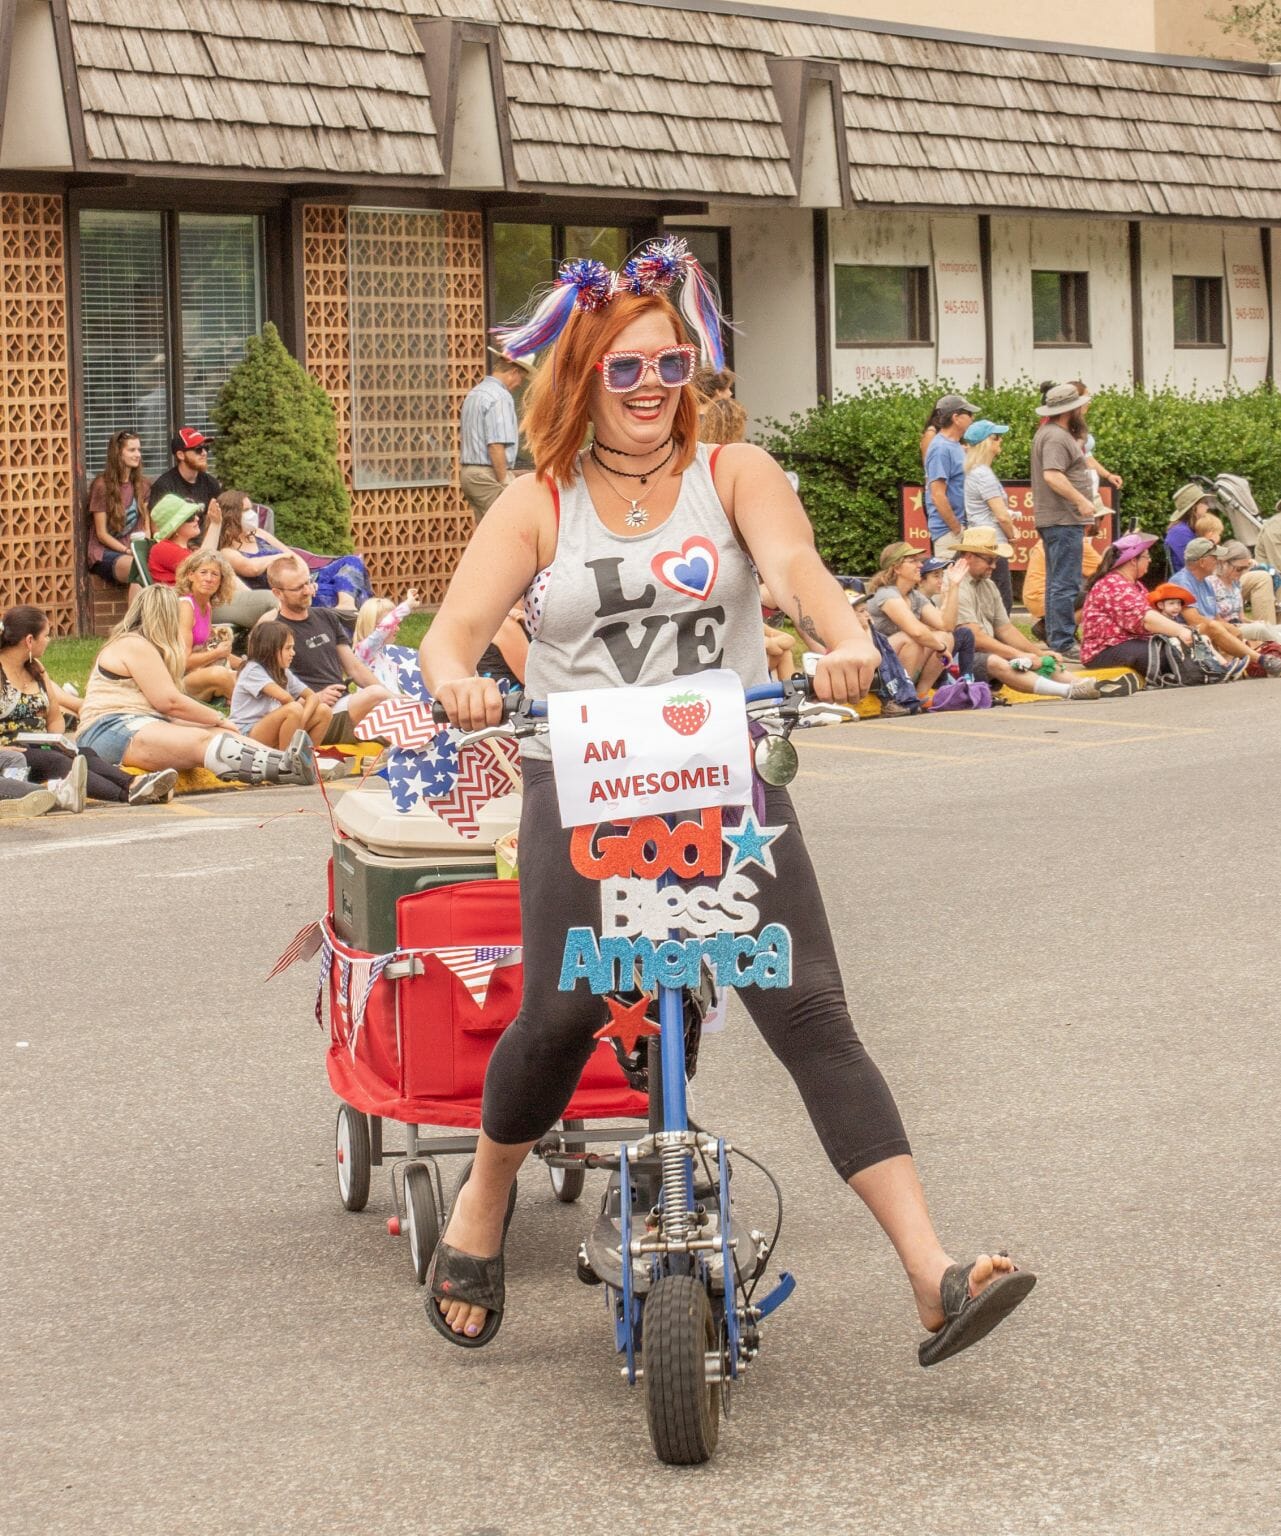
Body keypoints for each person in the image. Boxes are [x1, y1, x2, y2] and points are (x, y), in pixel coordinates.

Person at [419, 238, 1035, 1355]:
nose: (654, 390)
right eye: (627, 371)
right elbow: (450, 635)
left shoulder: (734, 474)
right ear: (582, 379)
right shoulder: (536, 501)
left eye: (672, 366)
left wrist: (843, 636)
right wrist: (460, 682)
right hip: (586, 781)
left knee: (808, 1010)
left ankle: (932, 1272)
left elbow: (796, 570)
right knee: (559, 1011)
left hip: (725, 774)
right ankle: (484, 1194)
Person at [77, 586, 316, 786]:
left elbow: (161, 711)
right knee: (201, 739)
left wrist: (219, 725)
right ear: (167, 617)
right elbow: (169, 702)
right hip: (109, 729)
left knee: (223, 735)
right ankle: (282, 768)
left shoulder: (146, 647)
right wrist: (217, 717)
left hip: (140, 723)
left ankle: (287, 761)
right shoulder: (134, 644)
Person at [0, 605, 177, 805]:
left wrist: (55, 742)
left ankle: (134, 783)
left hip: (39, 745)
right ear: (30, 640)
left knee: (82, 753)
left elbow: (55, 717)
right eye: (46, 636)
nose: (49, 641)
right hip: (12, 753)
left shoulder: (36, 669)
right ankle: (126, 795)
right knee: (59, 762)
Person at [950, 528, 1102, 699]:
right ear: (969, 556)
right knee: (998, 661)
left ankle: (1084, 685)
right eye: (990, 560)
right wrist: (1020, 654)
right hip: (955, 659)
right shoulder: (955, 585)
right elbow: (976, 638)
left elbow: (1005, 629)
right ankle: (1068, 691)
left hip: (980, 654)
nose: (994, 566)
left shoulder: (988, 585)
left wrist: (1038, 654)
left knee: (1040, 660)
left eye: (996, 560)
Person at [266, 557, 391, 743]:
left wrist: (392, 697)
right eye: (298, 588)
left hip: (345, 703)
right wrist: (316, 698)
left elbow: (355, 668)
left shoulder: (326, 617)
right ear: (278, 593)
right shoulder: (274, 631)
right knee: (377, 697)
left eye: (308, 582)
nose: (308, 590)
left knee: (387, 700)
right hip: (315, 712)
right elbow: (271, 693)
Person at [213, 487, 371, 610]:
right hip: (288, 593)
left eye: (251, 509)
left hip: (305, 579)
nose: (252, 514)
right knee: (333, 590)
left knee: (351, 561)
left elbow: (294, 556)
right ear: (231, 515)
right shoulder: (227, 551)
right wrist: (281, 558)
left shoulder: (259, 534)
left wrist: (306, 580)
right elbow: (252, 568)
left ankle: (346, 607)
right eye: (245, 511)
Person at [1031, 382, 1097, 660]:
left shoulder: (1050, 434)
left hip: (1058, 519)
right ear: (1071, 410)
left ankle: (1056, 634)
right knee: (1065, 582)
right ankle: (1063, 640)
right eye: (1081, 406)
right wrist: (1081, 500)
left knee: (1058, 581)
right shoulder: (1056, 437)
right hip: (1062, 519)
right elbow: (1053, 475)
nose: (1085, 409)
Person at [1080, 534, 1204, 676]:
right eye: (1147, 557)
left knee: (1182, 648)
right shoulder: (1112, 583)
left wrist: (1181, 631)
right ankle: (1207, 671)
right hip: (1103, 650)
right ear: (1133, 560)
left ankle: (1213, 668)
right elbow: (1145, 619)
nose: (1150, 560)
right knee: (1171, 654)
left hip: (1127, 643)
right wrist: (1180, 631)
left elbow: (1152, 617)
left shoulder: (1135, 585)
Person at [150, 494, 279, 629]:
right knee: (273, 601)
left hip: (206, 602)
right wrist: (215, 524)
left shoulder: (188, 550)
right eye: (189, 517)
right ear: (175, 526)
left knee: (280, 602)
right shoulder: (162, 548)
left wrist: (248, 594)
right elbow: (204, 564)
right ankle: (257, 644)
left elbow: (209, 564)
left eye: (195, 514)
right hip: (191, 608)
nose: (197, 518)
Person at [863, 542, 955, 695]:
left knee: (946, 637)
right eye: (913, 561)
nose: (920, 565)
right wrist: (941, 649)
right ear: (897, 568)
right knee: (911, 639)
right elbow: (916, 631)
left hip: (897, 658)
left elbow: (946, 625)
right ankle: (899, 697)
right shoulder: (886, 594)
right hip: (874, 663)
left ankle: (920, 695)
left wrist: (954, 586)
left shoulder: (914, 596)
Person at [229, 621, 334, 746]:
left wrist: (302, 719)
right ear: (270, 649)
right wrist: (299, 719)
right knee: (293, 709)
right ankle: (284, 762)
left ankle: (306, 759)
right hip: (245, 734)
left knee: (324, 711)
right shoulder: (252, 670)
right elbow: (286, 698)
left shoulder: (282, 671)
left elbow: (312, 696)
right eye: (288, 648)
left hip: (269, 728)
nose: (293, 653)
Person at [459, 350, 530, 522]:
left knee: (484, 533)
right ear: (513, 372)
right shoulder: (500, 396)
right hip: (488, 474)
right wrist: (504, 479)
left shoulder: (475, 393)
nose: (519, 384)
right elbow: (496, 445)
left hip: (469, 474)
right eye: (521, 377)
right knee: (508, 526)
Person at [1143, 581, 1259, 678]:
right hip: (1166, 647)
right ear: (1160, 606)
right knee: (1200, 638)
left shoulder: (1174, 619)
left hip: (1177, 645)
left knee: (1203, 638)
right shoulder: (1160, 619)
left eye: (1178, 603)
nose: (1176, 607)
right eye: (1171, 603)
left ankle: (1214, 665)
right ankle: (1221, 665)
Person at [962, 419, 1017, 613]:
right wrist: (1012, 536)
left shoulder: (976, 472)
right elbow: (1001, 515)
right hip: (992, 544)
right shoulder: (983, 474)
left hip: (983, 542)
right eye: (996, 437)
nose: (1000, 441)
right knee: (1002, 601)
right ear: (986, 443)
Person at [86, 430, 152, 592]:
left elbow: (146, 526)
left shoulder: (143, 485)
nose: (138, 454)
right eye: (132, 450)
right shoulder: (102, 486)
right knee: (138, 569)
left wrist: (144, 548)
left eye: (139, 450)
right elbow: (102, 534)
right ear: (118, 453)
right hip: (105, 552)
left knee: (152, 566)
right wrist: (127, 551)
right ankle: (136, 618)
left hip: (134, 550)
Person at [1023, 517, 1103, 645]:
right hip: (1048, 597)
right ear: (1090, 521)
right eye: (1101, 519)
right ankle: (1060, 633)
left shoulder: (1056, 537)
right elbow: (1105, 571)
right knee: (1100, 596)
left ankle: (1049, 627)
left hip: (1037, 596)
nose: (1101, 524)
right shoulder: (1076, 541)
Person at [174, 551, 240, 702]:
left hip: (200, 672)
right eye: (203, 572)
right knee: (221, 674)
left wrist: (245, 664)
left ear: (221, 581)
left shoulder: (206, 606)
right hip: (179, 679)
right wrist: (217, 653)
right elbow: (183, 662)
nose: (209, 579)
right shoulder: (186, 606)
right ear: (191, 575)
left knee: (247, 673)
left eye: (215, 574)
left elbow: (207, 648)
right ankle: (247, 712)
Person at [923, 393, 976, 556]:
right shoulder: (941, 448)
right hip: (948, 533)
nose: (972, 419)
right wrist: (957, 529)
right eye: (969, 414)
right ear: (956, 418)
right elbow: (937, 495)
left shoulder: (953, 446)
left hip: (958, 531)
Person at [1210, 540, 1281, 659]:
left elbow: (1241, 617)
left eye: (1246, 568)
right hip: (1227, 630)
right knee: (1261, 629)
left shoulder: (1236, 584)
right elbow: (1214, 620)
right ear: (1223, 563)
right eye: (1239, 569)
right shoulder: (1212, 584)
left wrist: (1255, 622)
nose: (1242, 572)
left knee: (1275, 627)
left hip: (1239, 625)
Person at [148, 427, 221, 510]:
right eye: (198, 449)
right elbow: (155, 522)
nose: (204, 453)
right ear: (180, 455)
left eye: (206, 448)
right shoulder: (164, 487)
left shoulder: (211, 484)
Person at [1165, 484, 1220, 575]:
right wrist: (1212, 542)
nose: (1208, 507)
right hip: (1188, 585)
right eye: (1205, 503)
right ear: (1194, 507)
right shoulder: (1179, 532)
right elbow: (1197, 565)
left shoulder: (1189, 529)